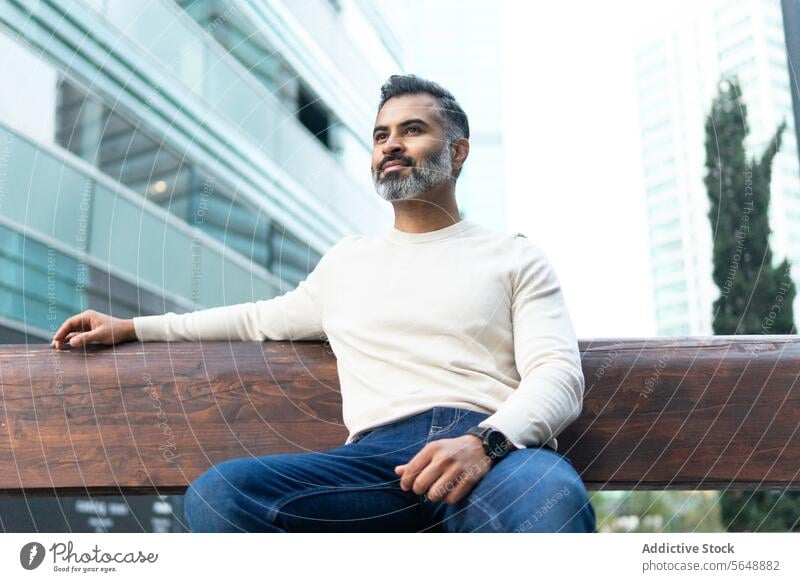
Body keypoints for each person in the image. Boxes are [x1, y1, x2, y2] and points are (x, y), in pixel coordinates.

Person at [51, 74, 596, 533]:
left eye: (412, 130)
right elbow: (254, 319)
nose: (390, 145)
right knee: (222, 496)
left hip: (491, 454)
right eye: (381, 135)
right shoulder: (347, 263)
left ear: (457, 151)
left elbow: (558, 376)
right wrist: (134, 326)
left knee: (548, 497)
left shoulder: (513, 257)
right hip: (374, 469)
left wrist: (485, 443)